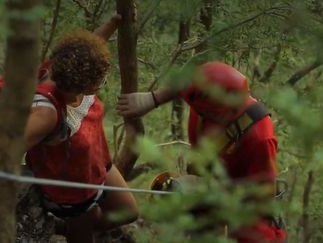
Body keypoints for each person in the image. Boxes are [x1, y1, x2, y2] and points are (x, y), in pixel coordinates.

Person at [116, 61, 286, 243]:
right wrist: (153, 99)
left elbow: (262, 196)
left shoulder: (260, 137)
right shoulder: (206, 94)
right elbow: (183, 85)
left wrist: (209, 189)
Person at [16, 15, 138, 243]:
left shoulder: (70, 68)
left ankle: (65, 227)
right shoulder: (48, 113)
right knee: (83, 237)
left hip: (97, 165)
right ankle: (71, 228)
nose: (102, 83)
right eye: (100, 81)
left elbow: (88, 47)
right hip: (72, 193)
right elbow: (7, 147)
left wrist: (116, 20)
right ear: (83, 82)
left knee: (129, 211)